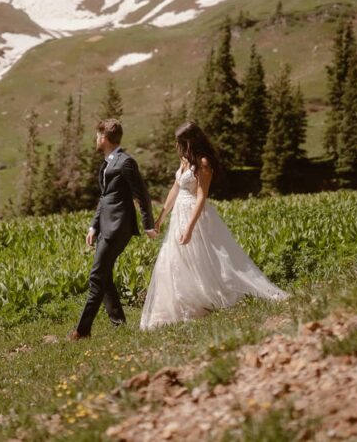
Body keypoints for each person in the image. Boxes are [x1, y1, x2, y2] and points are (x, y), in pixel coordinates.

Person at [140, 121, 287, 330]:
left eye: (180, 142)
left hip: (194, 214)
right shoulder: (184, 161)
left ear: (190, 142)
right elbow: (175, 188)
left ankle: (206, 298)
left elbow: (201, 197)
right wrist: (161, 216)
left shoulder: (203, 162)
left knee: (202, 257)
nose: (176, 146)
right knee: (173, 259)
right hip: (178, 214)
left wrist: (190, 228)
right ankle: (180, 304)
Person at [70, 119, 157, 340]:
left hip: (119, 226)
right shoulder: (108, 163)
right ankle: (119, 323)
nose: (96, 139)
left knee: (96, 276)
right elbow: (105, 197)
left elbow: (142, 194)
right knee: (104, 275)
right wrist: (93, 226)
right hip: (105, 226)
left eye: (97, 136)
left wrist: (148, 225)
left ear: (105, 138)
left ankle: (82, 331)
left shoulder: (126, 162)